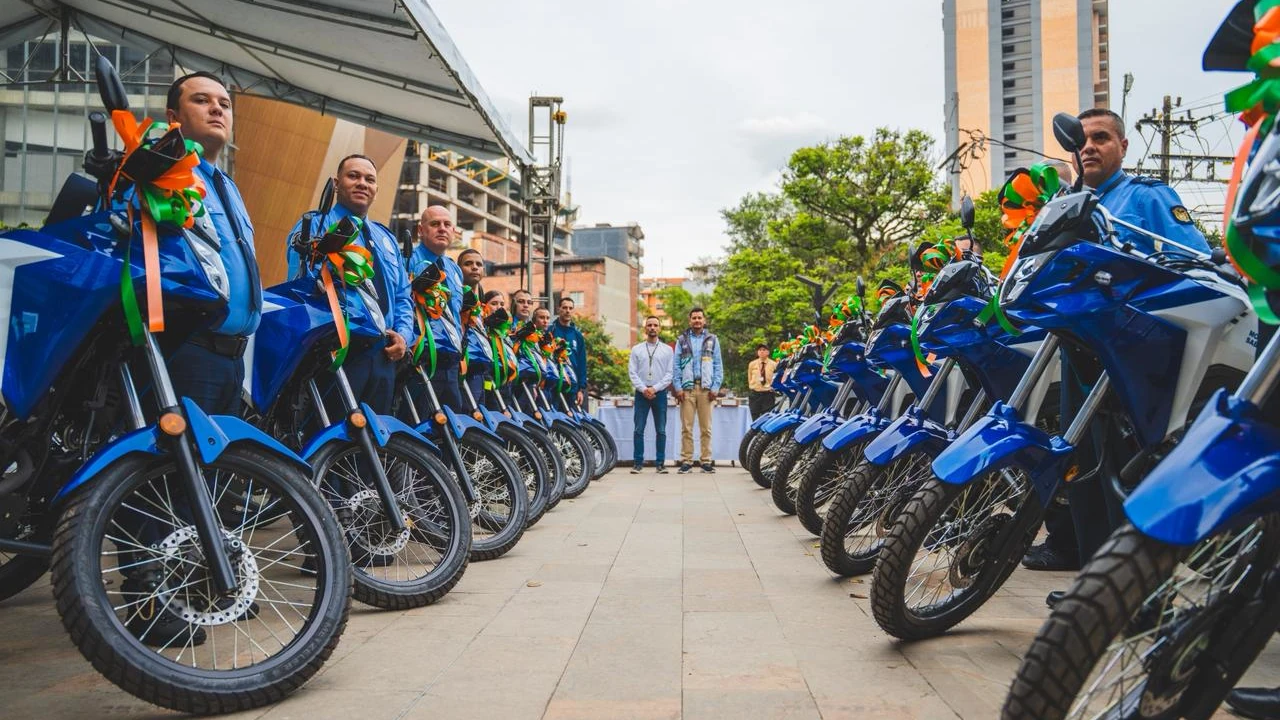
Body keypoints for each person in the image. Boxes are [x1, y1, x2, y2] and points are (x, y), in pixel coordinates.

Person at [1043, 108, 1212, 603]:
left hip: (1132, 353)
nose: (1090, 146)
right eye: (1083, 138)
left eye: (1102, 138)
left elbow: (1193, 258)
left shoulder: (1146, 197)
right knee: (1084, 468)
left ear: (1122, 147)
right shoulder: (1067, 206)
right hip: (1079, 350)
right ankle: (1097, 591)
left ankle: (1141, 592)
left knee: (1127, 470)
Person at [287, 155, 413, 416]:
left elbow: (402, 296)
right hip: (338, 354)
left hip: (383, 355)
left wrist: (404, 335)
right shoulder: (315, 225)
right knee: (332, 441)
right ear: (336, 183)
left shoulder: (386, 238)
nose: (362, 184)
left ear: (376, 190)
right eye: (353, 176)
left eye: (369, 179)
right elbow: (300, 286)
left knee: (377, 442)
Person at [407, 206, 466, 412]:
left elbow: (457, 315)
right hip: (421, 361)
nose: (442, 229)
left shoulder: (454, 269)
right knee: (421, 429)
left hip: (451, 362)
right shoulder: (407, 259)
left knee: (454, 428)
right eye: (435, 224)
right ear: (420, 230)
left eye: (447, 224)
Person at [674, 307, 723, 473]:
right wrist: (678, 387)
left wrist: (715, 387)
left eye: (699, 318)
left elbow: (718, 365)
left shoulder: (712, 340)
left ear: (704, 321)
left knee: (706, 428)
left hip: (706, 389)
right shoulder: (682, 340)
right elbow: (676, 366)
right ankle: (687, 461)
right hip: (687, 389)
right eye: (694, 318)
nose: (697, 321)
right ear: (689, 321)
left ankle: (706, 461)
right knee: (686, 427)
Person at [627, 316, 674, 473]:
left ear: (659, 328)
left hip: (659, 394)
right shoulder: (637, 349)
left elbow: (669, 374)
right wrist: (643, 389)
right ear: (645, 328)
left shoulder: (667, 350)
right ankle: (638, 463)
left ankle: (660, 463)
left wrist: (655, 388)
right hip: (641, 393)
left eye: (655, 325)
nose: (652, 327)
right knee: (638, 429)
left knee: (661, 430)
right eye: (649, 325)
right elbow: (632, 372)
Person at [457, 248, 491, 406]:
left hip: (480, 372)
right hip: (462, 371)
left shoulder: (484, 307)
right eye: (468, 264)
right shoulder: (454, 299)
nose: (475, 267)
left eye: (479, 264)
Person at [549, 296, 588, 409]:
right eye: (565, 307)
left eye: (570, 308)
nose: (568, 311)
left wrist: (581, 389)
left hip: (573, 387)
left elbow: (582, 363)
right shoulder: (551, 331)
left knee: (573, 422)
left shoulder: (577, 335)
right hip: (554, 386)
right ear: (558, 309)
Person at [746, 343, 777, 419]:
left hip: (768, 394)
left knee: (767, 416)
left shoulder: (774, 364)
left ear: (768, 352)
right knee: (753, 415)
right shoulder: (752, 364)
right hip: (755, 393)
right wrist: (752, 386)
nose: (761, 351)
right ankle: (754, 431)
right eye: (759, 350)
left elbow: (776, 378)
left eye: (764, 350)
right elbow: (749, 377)